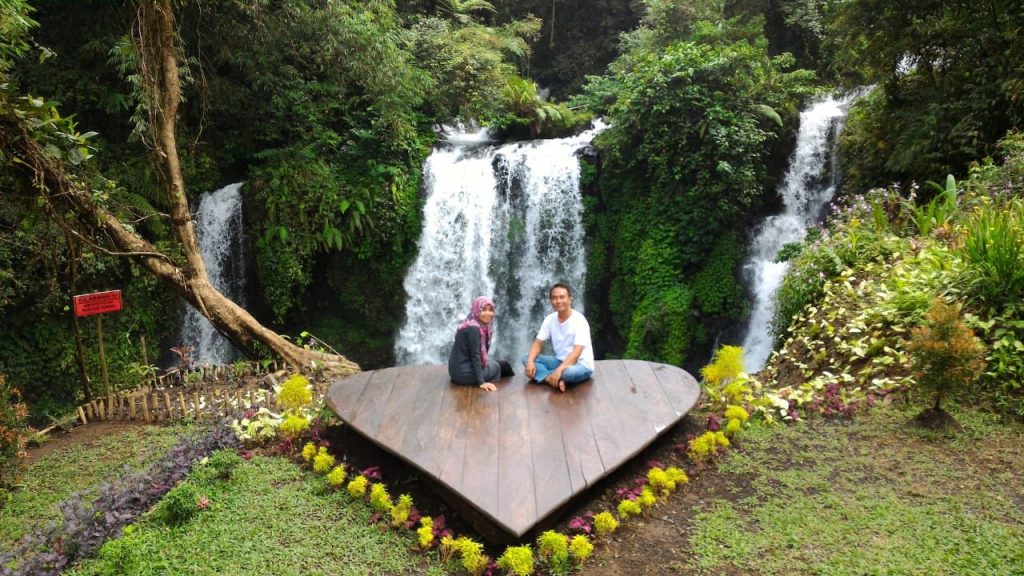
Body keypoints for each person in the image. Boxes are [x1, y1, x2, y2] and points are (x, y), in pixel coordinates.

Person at [521, 283, 594, 392]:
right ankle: (552, 379)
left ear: (570, 299)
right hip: (560, 361)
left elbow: (576, 352)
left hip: (581, 365)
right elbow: (538, 343)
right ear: (551, 301)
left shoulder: (579, 320)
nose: (558, 301)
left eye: (562, 297)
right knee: (526, 358)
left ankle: (550, 376)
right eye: (554, 298)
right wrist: (531, 362)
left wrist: (559, 371)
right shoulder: (550, 319)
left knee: (568, 373)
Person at [448, 296, 512, 392]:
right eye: (484, 310)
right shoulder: (474, 329)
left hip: (456, 371)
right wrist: (481, 382)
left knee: (499, 364)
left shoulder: (469, 321)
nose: (488, 313)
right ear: (477, 309)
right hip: (464, 374)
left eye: (491, 310)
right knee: (502, 366)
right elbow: (475, 356)